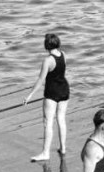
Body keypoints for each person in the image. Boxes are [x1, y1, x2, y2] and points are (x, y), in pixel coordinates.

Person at [23, 33, 70, 162]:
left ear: (46, 45)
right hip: (64, 89)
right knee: (61, 119)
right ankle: (63, 148)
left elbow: (40, 79)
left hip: (52, 92)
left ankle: (45, 153)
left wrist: (30, 95)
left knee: (48, 122)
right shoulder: (64, 54)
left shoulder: (48, 60)